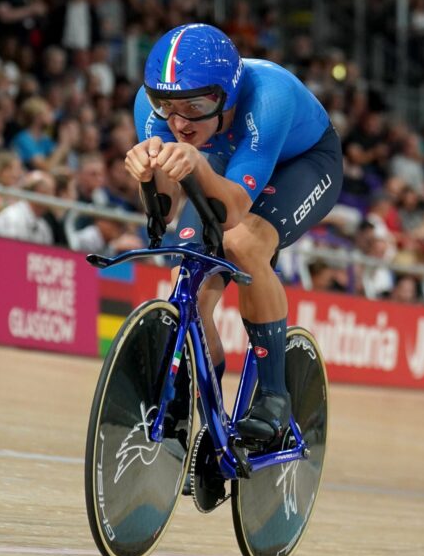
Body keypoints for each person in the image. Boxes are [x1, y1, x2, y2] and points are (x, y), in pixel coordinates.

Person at [125, 24, 343, 447]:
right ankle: (197, 389)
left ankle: (275, 398)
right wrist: (147, 176)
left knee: (243, 244)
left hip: (299, 163)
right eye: (165, 105)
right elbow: (164, 211)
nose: (179, 122)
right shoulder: (152, 110)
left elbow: (232, 214)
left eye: (196, 105)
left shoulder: (268, 96)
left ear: (225, 95)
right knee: (187, 273)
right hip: (223, 160)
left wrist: (199, 166)